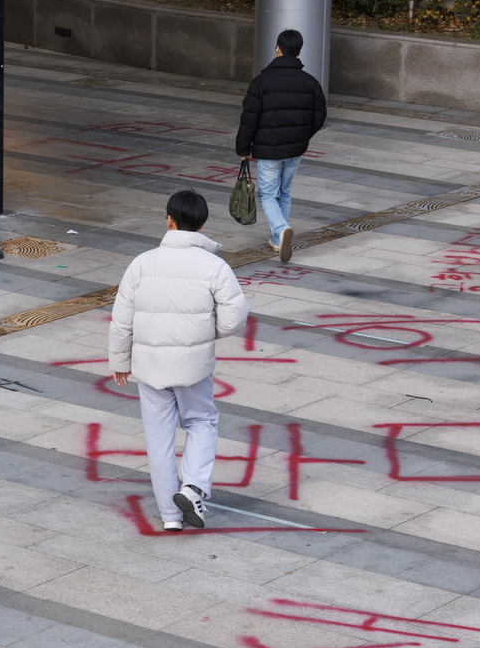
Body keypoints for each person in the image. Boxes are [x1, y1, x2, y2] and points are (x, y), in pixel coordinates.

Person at [108, 190, 249, 531]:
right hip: (193, 365)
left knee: (159, 439)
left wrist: (120, 360)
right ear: (202, 224)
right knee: (201, 422)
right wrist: (205, 333)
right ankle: (193, 487)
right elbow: (235, 316)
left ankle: (170, 517)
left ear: (168, 220)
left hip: (149, 366)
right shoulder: (214, 266)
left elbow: (121, 317)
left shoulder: (142, 263)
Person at [235, 28, 327, 264]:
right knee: (284, 193)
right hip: (294, 150)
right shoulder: (311, 83)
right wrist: (302, 136)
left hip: (268, 151)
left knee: (267, 194)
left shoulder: (261, 82)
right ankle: (278, 239)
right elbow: (320, 117)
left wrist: (243, 149)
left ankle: (281, 229)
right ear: (298, 51)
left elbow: (249, 119)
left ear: (277, 49)